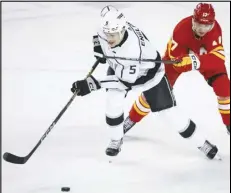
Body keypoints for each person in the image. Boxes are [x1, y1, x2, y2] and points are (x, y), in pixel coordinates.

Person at [71, 5, 219, 159]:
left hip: (150, 76)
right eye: (107, 35)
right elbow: (99, 31)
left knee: (170, 114)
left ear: (122, 30)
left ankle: (202, 143)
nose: (109, 39)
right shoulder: (109, 26)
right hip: (120, 68)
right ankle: (116, 139)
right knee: (113, 103)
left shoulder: (132, 51)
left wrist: (92, 84)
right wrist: (98, 48)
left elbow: (123, 81)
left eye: (113, 36)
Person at [124, 3, 230, 135]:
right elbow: (176, 62)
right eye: (199, 24)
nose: (202, 29)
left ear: (212, 24)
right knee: (153, 91)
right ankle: (132, 118)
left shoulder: (215, 29)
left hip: (199, 60)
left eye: (207, 25)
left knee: (224, 88)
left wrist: (193, 60)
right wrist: (185, 61)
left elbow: (218, 58)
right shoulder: (181, 29)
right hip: (179, 61)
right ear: (193, 20)